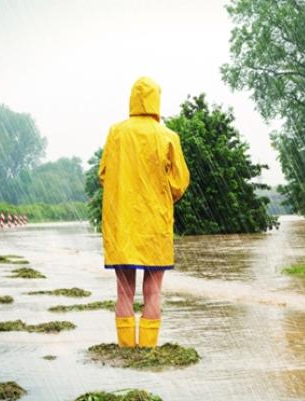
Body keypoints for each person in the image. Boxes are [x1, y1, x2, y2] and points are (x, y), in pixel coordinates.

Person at [98, 77, 190, 348]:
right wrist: (161, 193)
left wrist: (124, 188)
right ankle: (148, 350)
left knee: (124, 292)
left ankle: (126, 351)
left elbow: (103, 174)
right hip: (154, 224)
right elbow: (180, 181)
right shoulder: (167, 136)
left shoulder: (116, 132)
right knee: (153, 292)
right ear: (156, 101)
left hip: (122, 224)